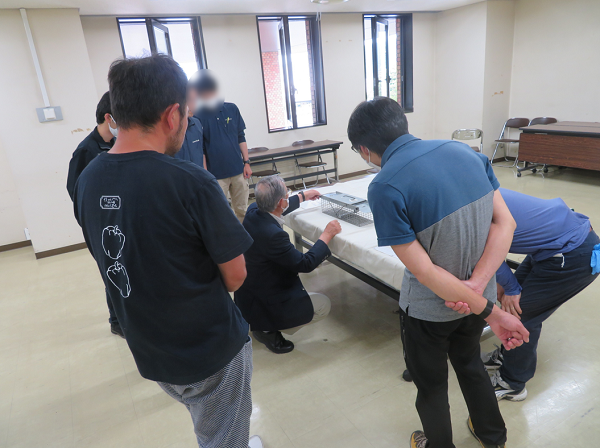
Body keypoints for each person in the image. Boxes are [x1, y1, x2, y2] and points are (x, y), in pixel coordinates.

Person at [72, 55, 262, 448]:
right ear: (173, 115)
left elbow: (108, 256)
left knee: (205, 417)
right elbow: (236, 276)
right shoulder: (192, 181)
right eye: (188, 114)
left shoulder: (88, 179)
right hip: (208, 349)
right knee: (223, 433)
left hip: (150, 347)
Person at [347, 97, 529, 448]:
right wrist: (479, 289)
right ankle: (493, 437)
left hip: (430, 311)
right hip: (479, 299)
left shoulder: (384, 186)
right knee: (471, 365)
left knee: (431, 386)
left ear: (365, 150)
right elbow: (505, 223)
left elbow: (426, 272)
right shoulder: (467, 154)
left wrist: (488, 309)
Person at [446, 188, 600, 402]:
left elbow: (486, 250)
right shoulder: (473, 189)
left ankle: (512, 383)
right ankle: (508, 356)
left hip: (573, 252)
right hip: (553, 247)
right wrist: (507, 287)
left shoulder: (465, 206)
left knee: (521, 315)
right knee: (512, 310)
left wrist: (510, 288)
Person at [234, 175, 341, 354]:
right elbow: (305, 263)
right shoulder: (273, 235)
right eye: (287, 194)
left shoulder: (253, 211)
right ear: (280, 203)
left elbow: (278, 206)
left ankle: (263, 323)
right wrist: (327, 234)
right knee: (323, 305)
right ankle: (268, 329)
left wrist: (303, 196)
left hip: (250, 292)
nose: (288, 197)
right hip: (266, 298)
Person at [66, 91, 123, 338]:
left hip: (119, 219)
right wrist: (93, 222)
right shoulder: (86, 150)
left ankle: (127, 313)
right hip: (101, 224)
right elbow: (75, 190)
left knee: (122, 266)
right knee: (111, 268)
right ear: (109, 117)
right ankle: (116, 321)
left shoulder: (117, 144)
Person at [192, 70, 251, 221]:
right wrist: (206, 175)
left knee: (242, 210)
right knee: (221, 214)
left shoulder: (232, 108)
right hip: (216, 176)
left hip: (238, 171)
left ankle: (245, 235)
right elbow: (201, 148)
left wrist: (246, 162)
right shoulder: (198, 116)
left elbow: (241, 136)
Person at [173, 86, 205, 168]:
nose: (194, 105)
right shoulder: (170, 128)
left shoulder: (197, 124)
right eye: (190, 100)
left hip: (198, 174)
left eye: (196, 100)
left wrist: (205, 173)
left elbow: (201, 152)